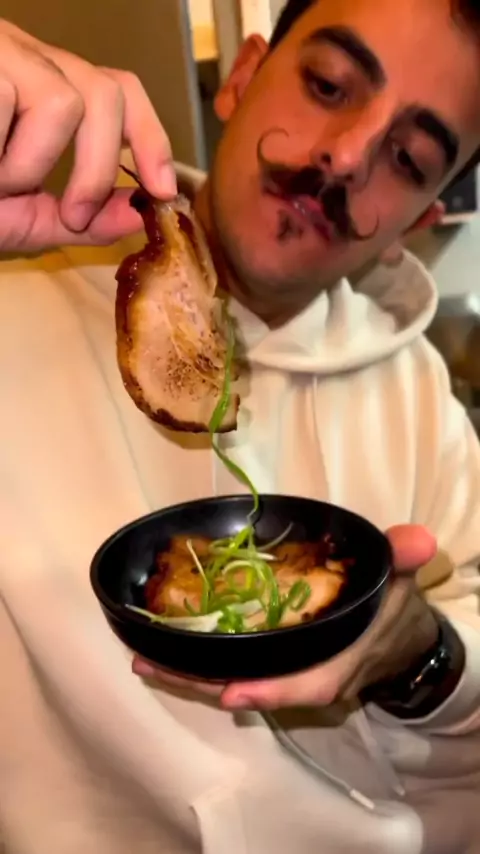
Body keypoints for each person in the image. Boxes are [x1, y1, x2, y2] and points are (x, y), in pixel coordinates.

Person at [0, 0, 479, 851]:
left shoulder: (420, 397)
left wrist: (422, 655)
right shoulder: (18, 289)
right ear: (244, 76)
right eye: (327, 85)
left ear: (418, 222)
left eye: (407, 158)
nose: (344, 157)